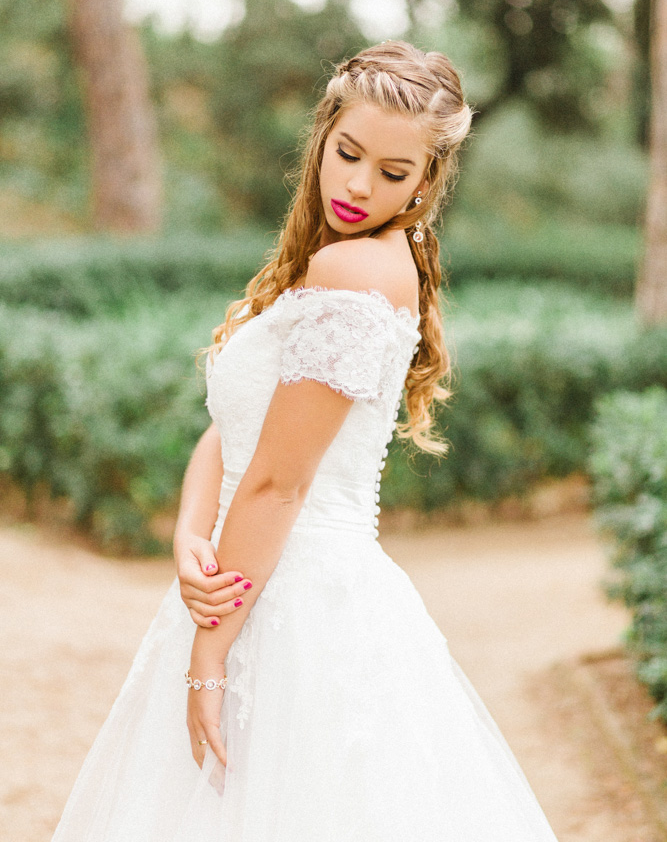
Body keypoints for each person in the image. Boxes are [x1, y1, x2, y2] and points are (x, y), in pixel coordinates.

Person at [52, 41, 559, 841]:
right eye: (348, 153)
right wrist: (190, 540)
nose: (359, 186)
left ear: (426, 182)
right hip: (238, 578)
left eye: (393, 173)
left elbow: (280, 485)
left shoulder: (359, 274)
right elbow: (231, 434)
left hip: (296, 605)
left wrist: (209, 658)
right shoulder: (328, 262)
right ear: (322, 136)